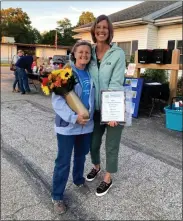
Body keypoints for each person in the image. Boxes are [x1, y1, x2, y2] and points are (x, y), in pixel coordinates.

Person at [51, 40, 95, 214]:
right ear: (74, 54)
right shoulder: (63, 73)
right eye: (81, 52)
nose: (84, 55)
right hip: (68, 127)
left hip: (87, 126)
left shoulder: (91, 75)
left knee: (81, 156)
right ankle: (57, 196)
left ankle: (78, 180)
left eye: (87, 52)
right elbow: (57, 102)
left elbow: (93, 99)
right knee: (63, 161)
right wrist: (73, 118)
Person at [86, 15, 126, 196]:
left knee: (111, 145)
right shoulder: (89, 52)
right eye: (98, 27)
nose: (101, 30)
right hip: (94, 109)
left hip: (113, 109)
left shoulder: (118, 54)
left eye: (105, 28)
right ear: (94, 30)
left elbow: (116, 83)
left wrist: (112, 114)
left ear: (109, 31)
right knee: (93, 144)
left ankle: (107, 178)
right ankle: (96, 166)